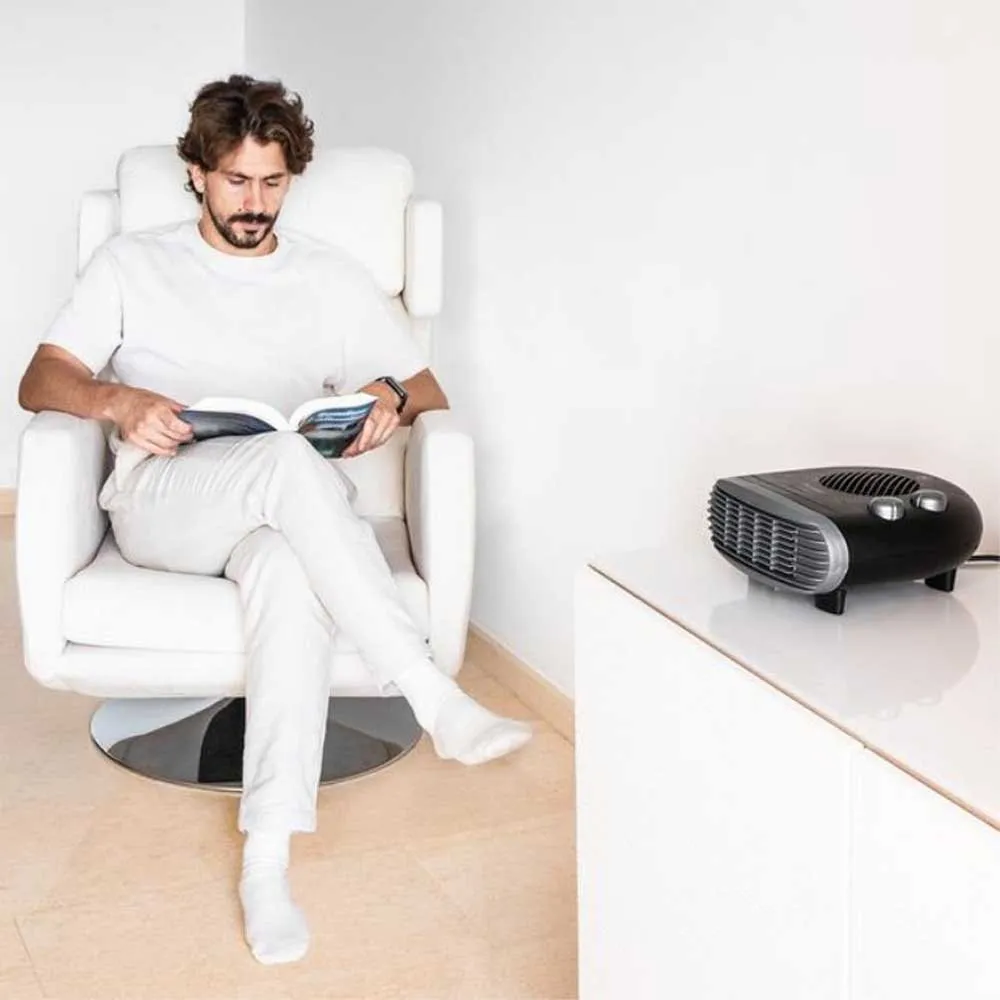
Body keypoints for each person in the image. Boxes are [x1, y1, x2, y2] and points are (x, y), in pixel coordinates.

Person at [18, 74, 532, 966]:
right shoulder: (132, 263)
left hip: (283, 517)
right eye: (235, 181)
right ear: (195, 173)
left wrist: (387, 397)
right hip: (164, 504)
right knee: (291, 464)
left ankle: (267, 859)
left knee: (291, 570)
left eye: (272, 182)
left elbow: (427, 387)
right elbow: (39, 379)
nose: (254, 204)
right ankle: (429, 692)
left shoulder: (329, 276)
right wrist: (117, 401)